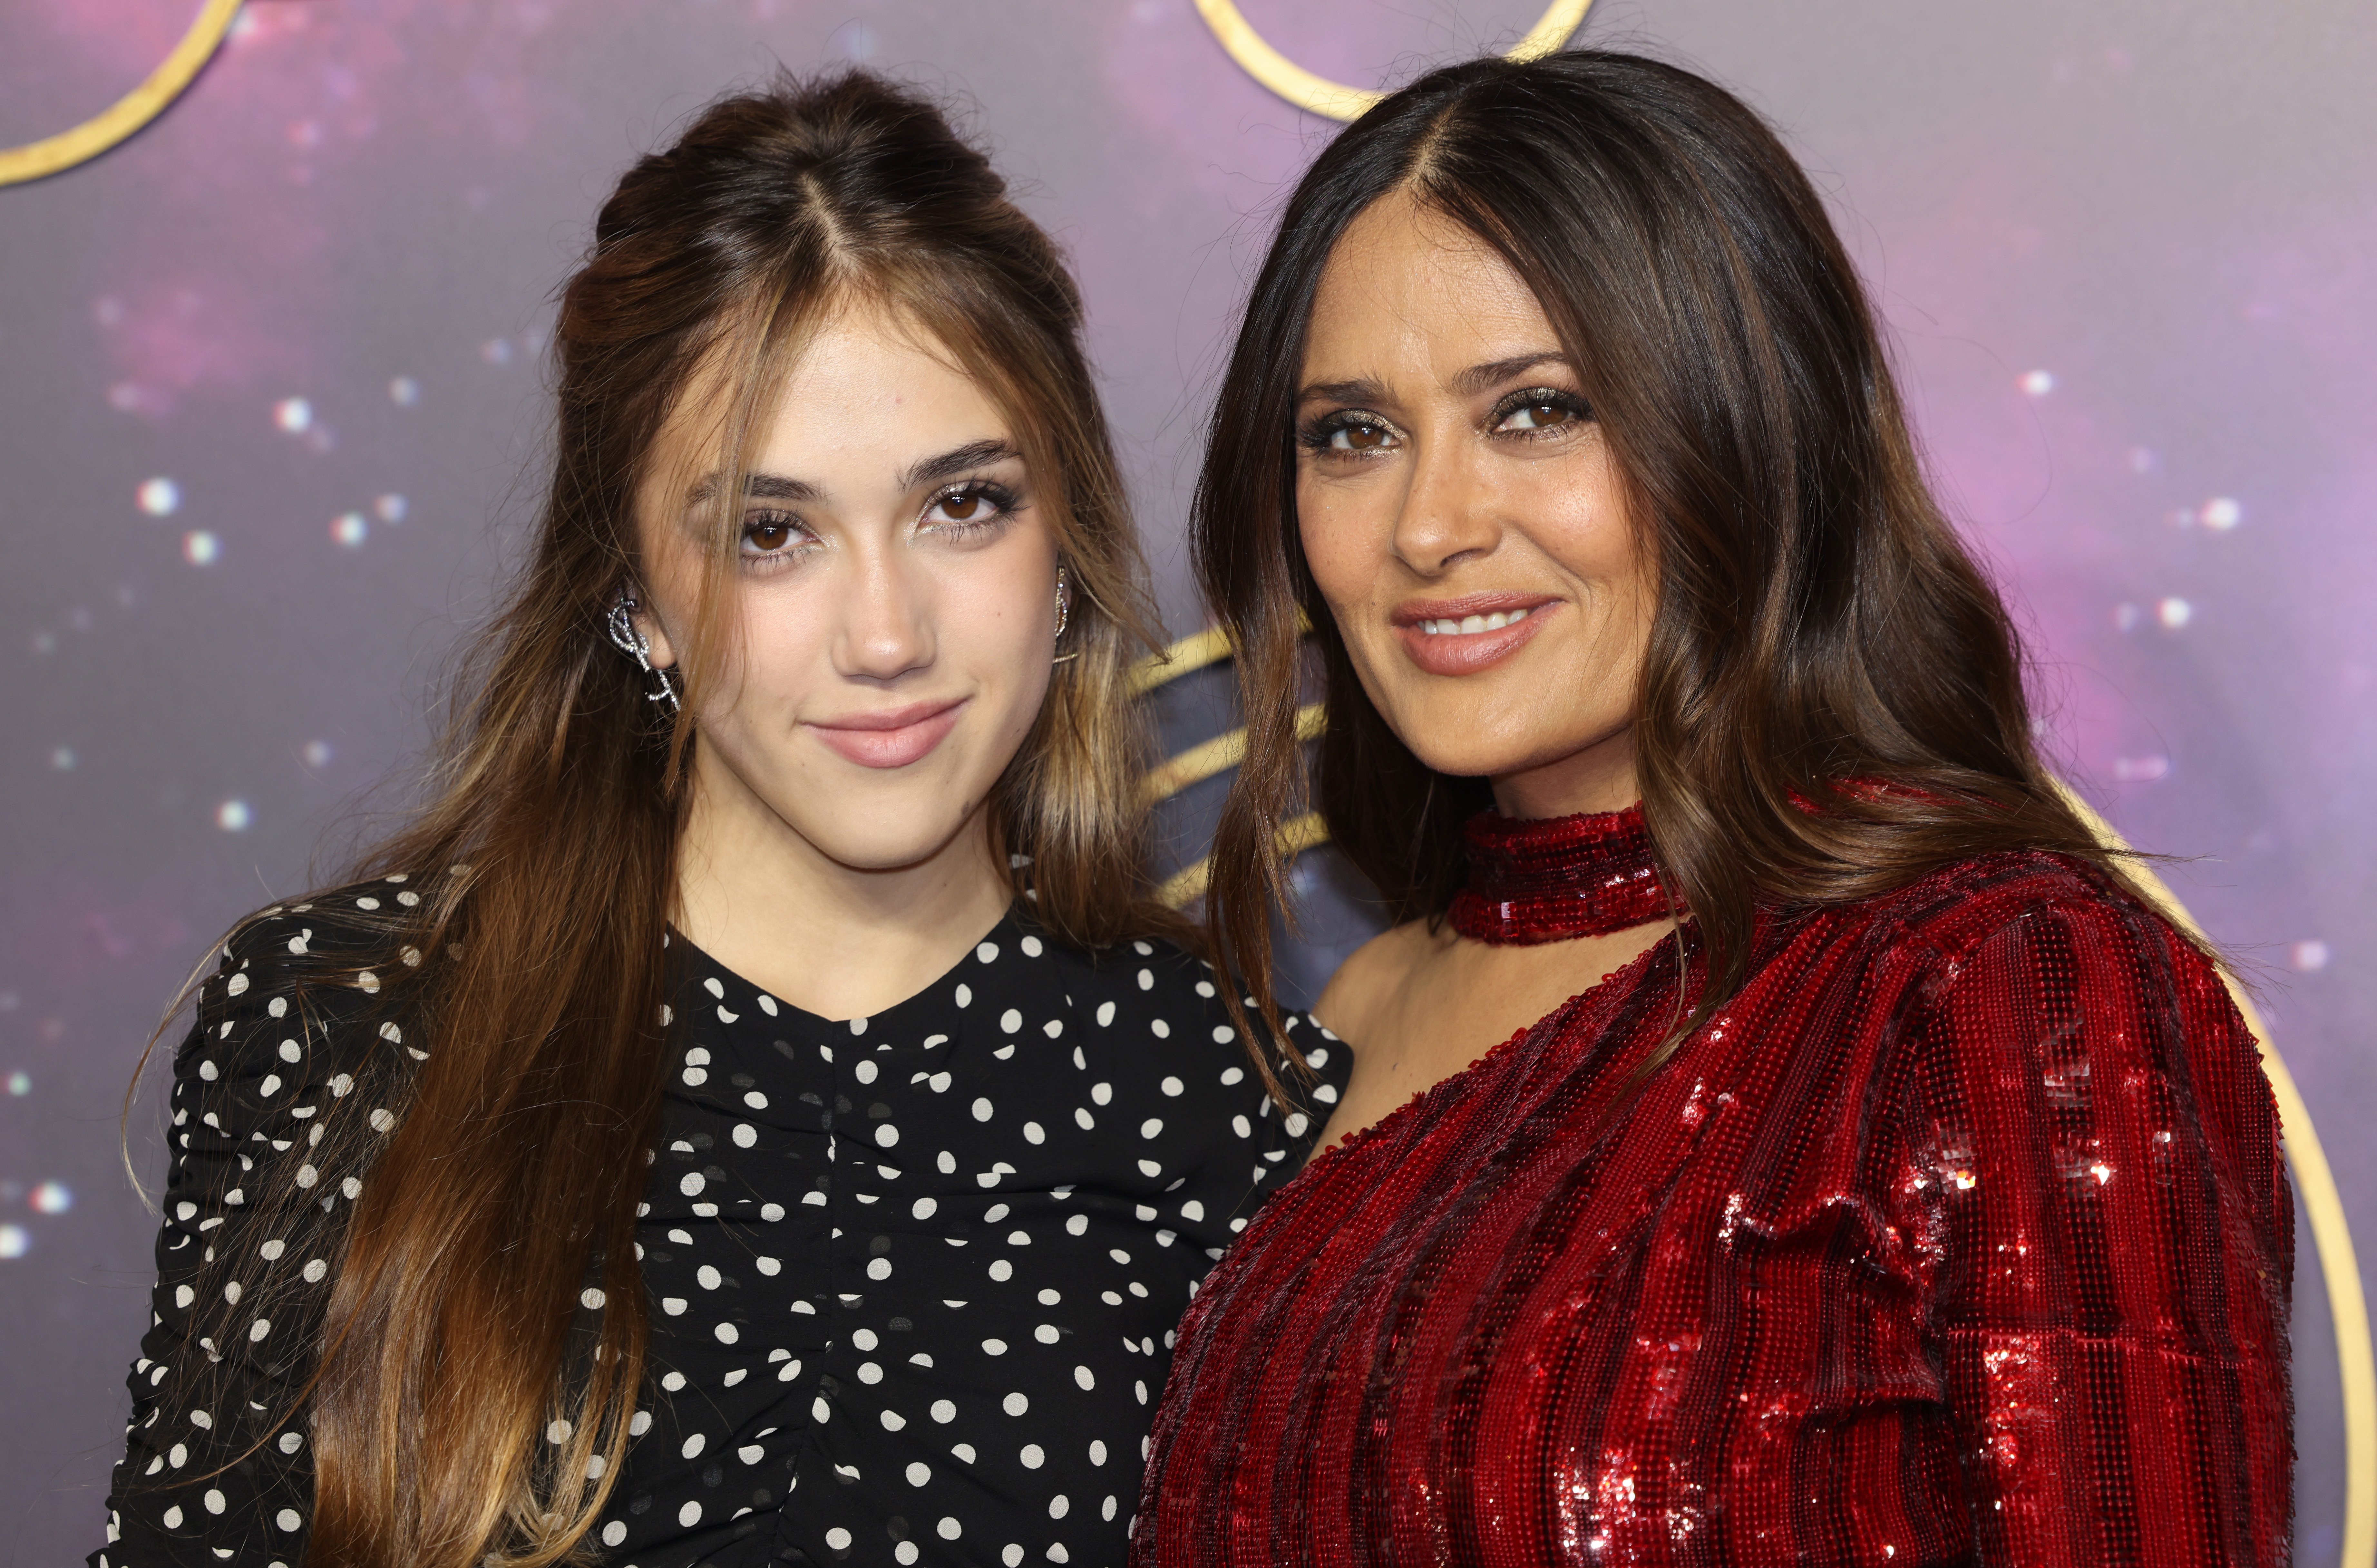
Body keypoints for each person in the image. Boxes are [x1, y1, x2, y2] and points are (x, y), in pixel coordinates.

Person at [95, 70, 1343, 1568]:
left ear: (1065, 534)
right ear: (636, 592)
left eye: (963, 505)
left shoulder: (1233, 1096)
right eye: (771, 532)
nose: (884, 634)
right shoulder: (350, 1023)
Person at [1135, 49, 2290, 1567]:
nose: (1427, 524)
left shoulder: (2006, 992)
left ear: (1743, 430)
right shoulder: (1365, 995)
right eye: (1350, 431)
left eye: (1537, 410)